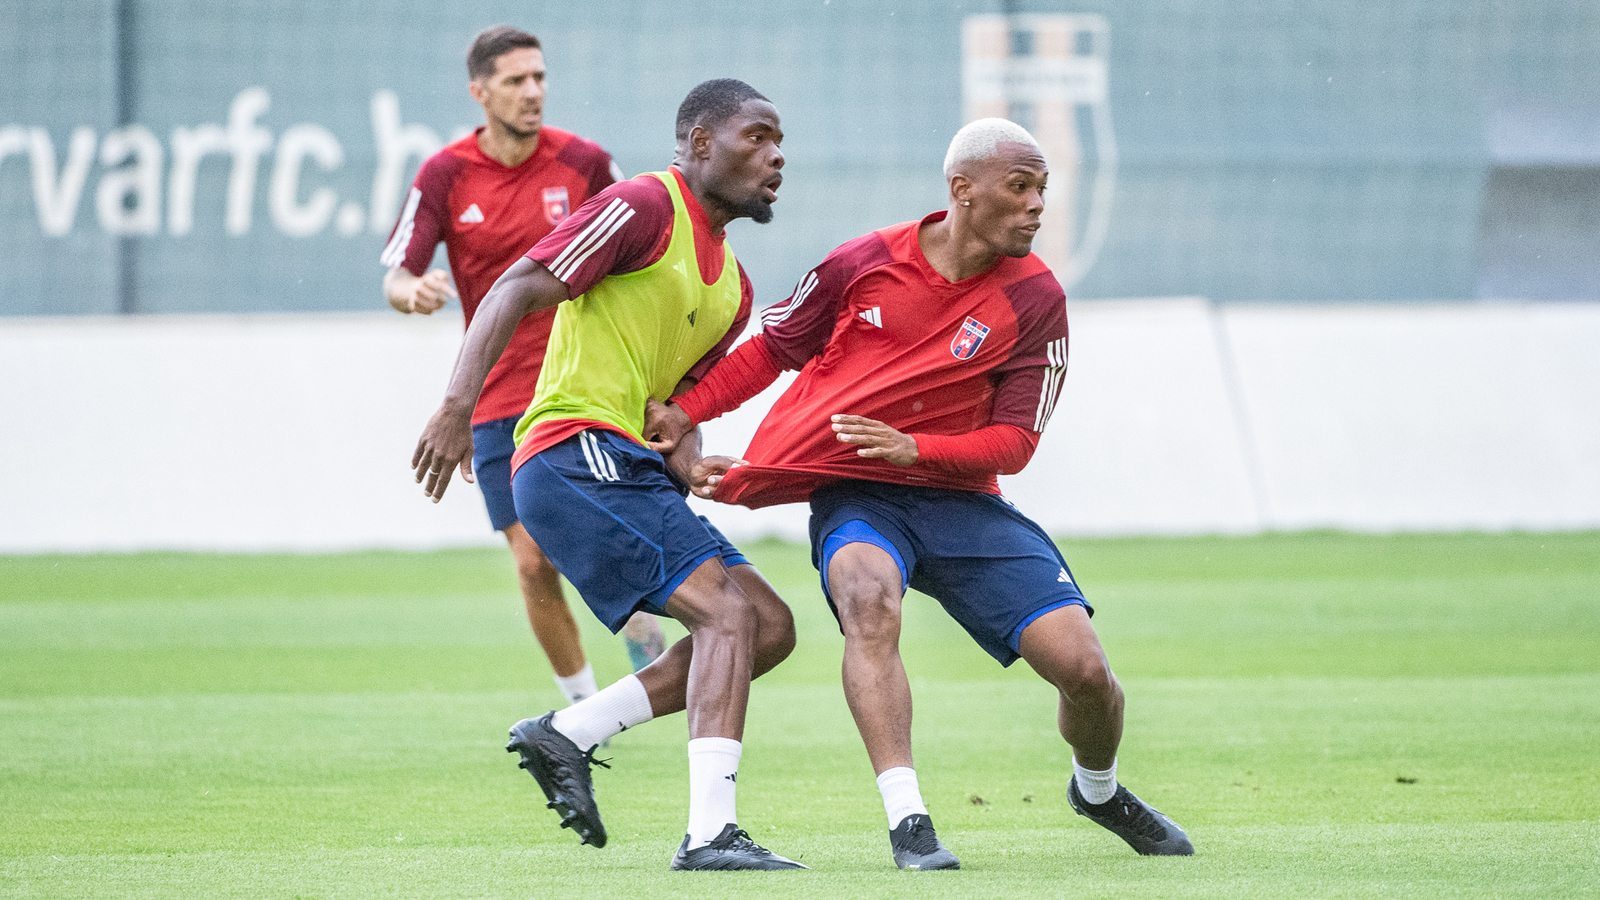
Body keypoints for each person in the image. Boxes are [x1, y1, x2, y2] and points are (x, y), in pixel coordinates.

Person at [645, 118, 1194, 870]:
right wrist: (687, 413)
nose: (1037, 205)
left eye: (1042, 189)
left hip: (964, 504)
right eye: (1020, 187)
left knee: (1087, 675)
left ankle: (1097, 791)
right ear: (963, 190)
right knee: (867, 597)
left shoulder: (1038, 299)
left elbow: (1016, 443)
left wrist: (917, 448)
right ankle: (910, 822)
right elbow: (773, 349)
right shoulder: (862, 263)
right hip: (860, 495)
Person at [410, 78, 803, 871]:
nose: (775, 157)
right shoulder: (643, 206)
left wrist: (694, 464)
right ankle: (710, 835)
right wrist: (457, 405)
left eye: (779, 143)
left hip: (629, 467)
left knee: (767, 625)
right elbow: (516, 286)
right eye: (757, 138)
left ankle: (571, 731)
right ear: (699, 143)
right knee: (726, 615)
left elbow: (670, 413)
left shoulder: (734, 288)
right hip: (572, 453)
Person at [380, 26, 665, 706]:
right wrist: (412, 293)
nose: (533, 91)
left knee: (604, 542)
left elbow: (647, 248)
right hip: (497, 397)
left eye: (539, 77)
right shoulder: (445, 175)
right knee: (534, 562)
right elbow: (397, 272)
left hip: (588, 387)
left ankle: (650, 666)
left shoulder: (586, 163)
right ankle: (582, 713)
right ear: (480, 93)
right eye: (515, 81)